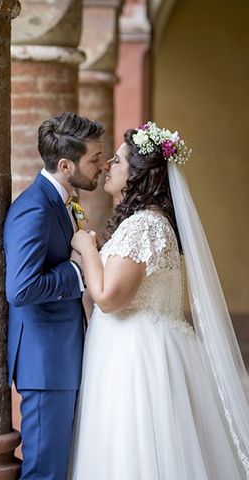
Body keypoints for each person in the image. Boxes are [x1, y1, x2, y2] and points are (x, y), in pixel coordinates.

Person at [68, 122, 249, 479]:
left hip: (136, 359)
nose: (107, 166)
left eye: (117, 162)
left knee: (135, 450)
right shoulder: (148, 222)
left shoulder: (144, 227)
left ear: (138, 176)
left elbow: (107, 298)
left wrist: (86, 248)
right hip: (141, 346)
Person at [4, 112, 106, 480]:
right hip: (45, 362)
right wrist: (78, 270)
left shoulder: (59, 200)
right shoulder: (33, 209)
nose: (102, 166)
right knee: (44, 473)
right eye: (94, 158)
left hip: (60, 355)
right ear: (66, 165)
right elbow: (21, 288)